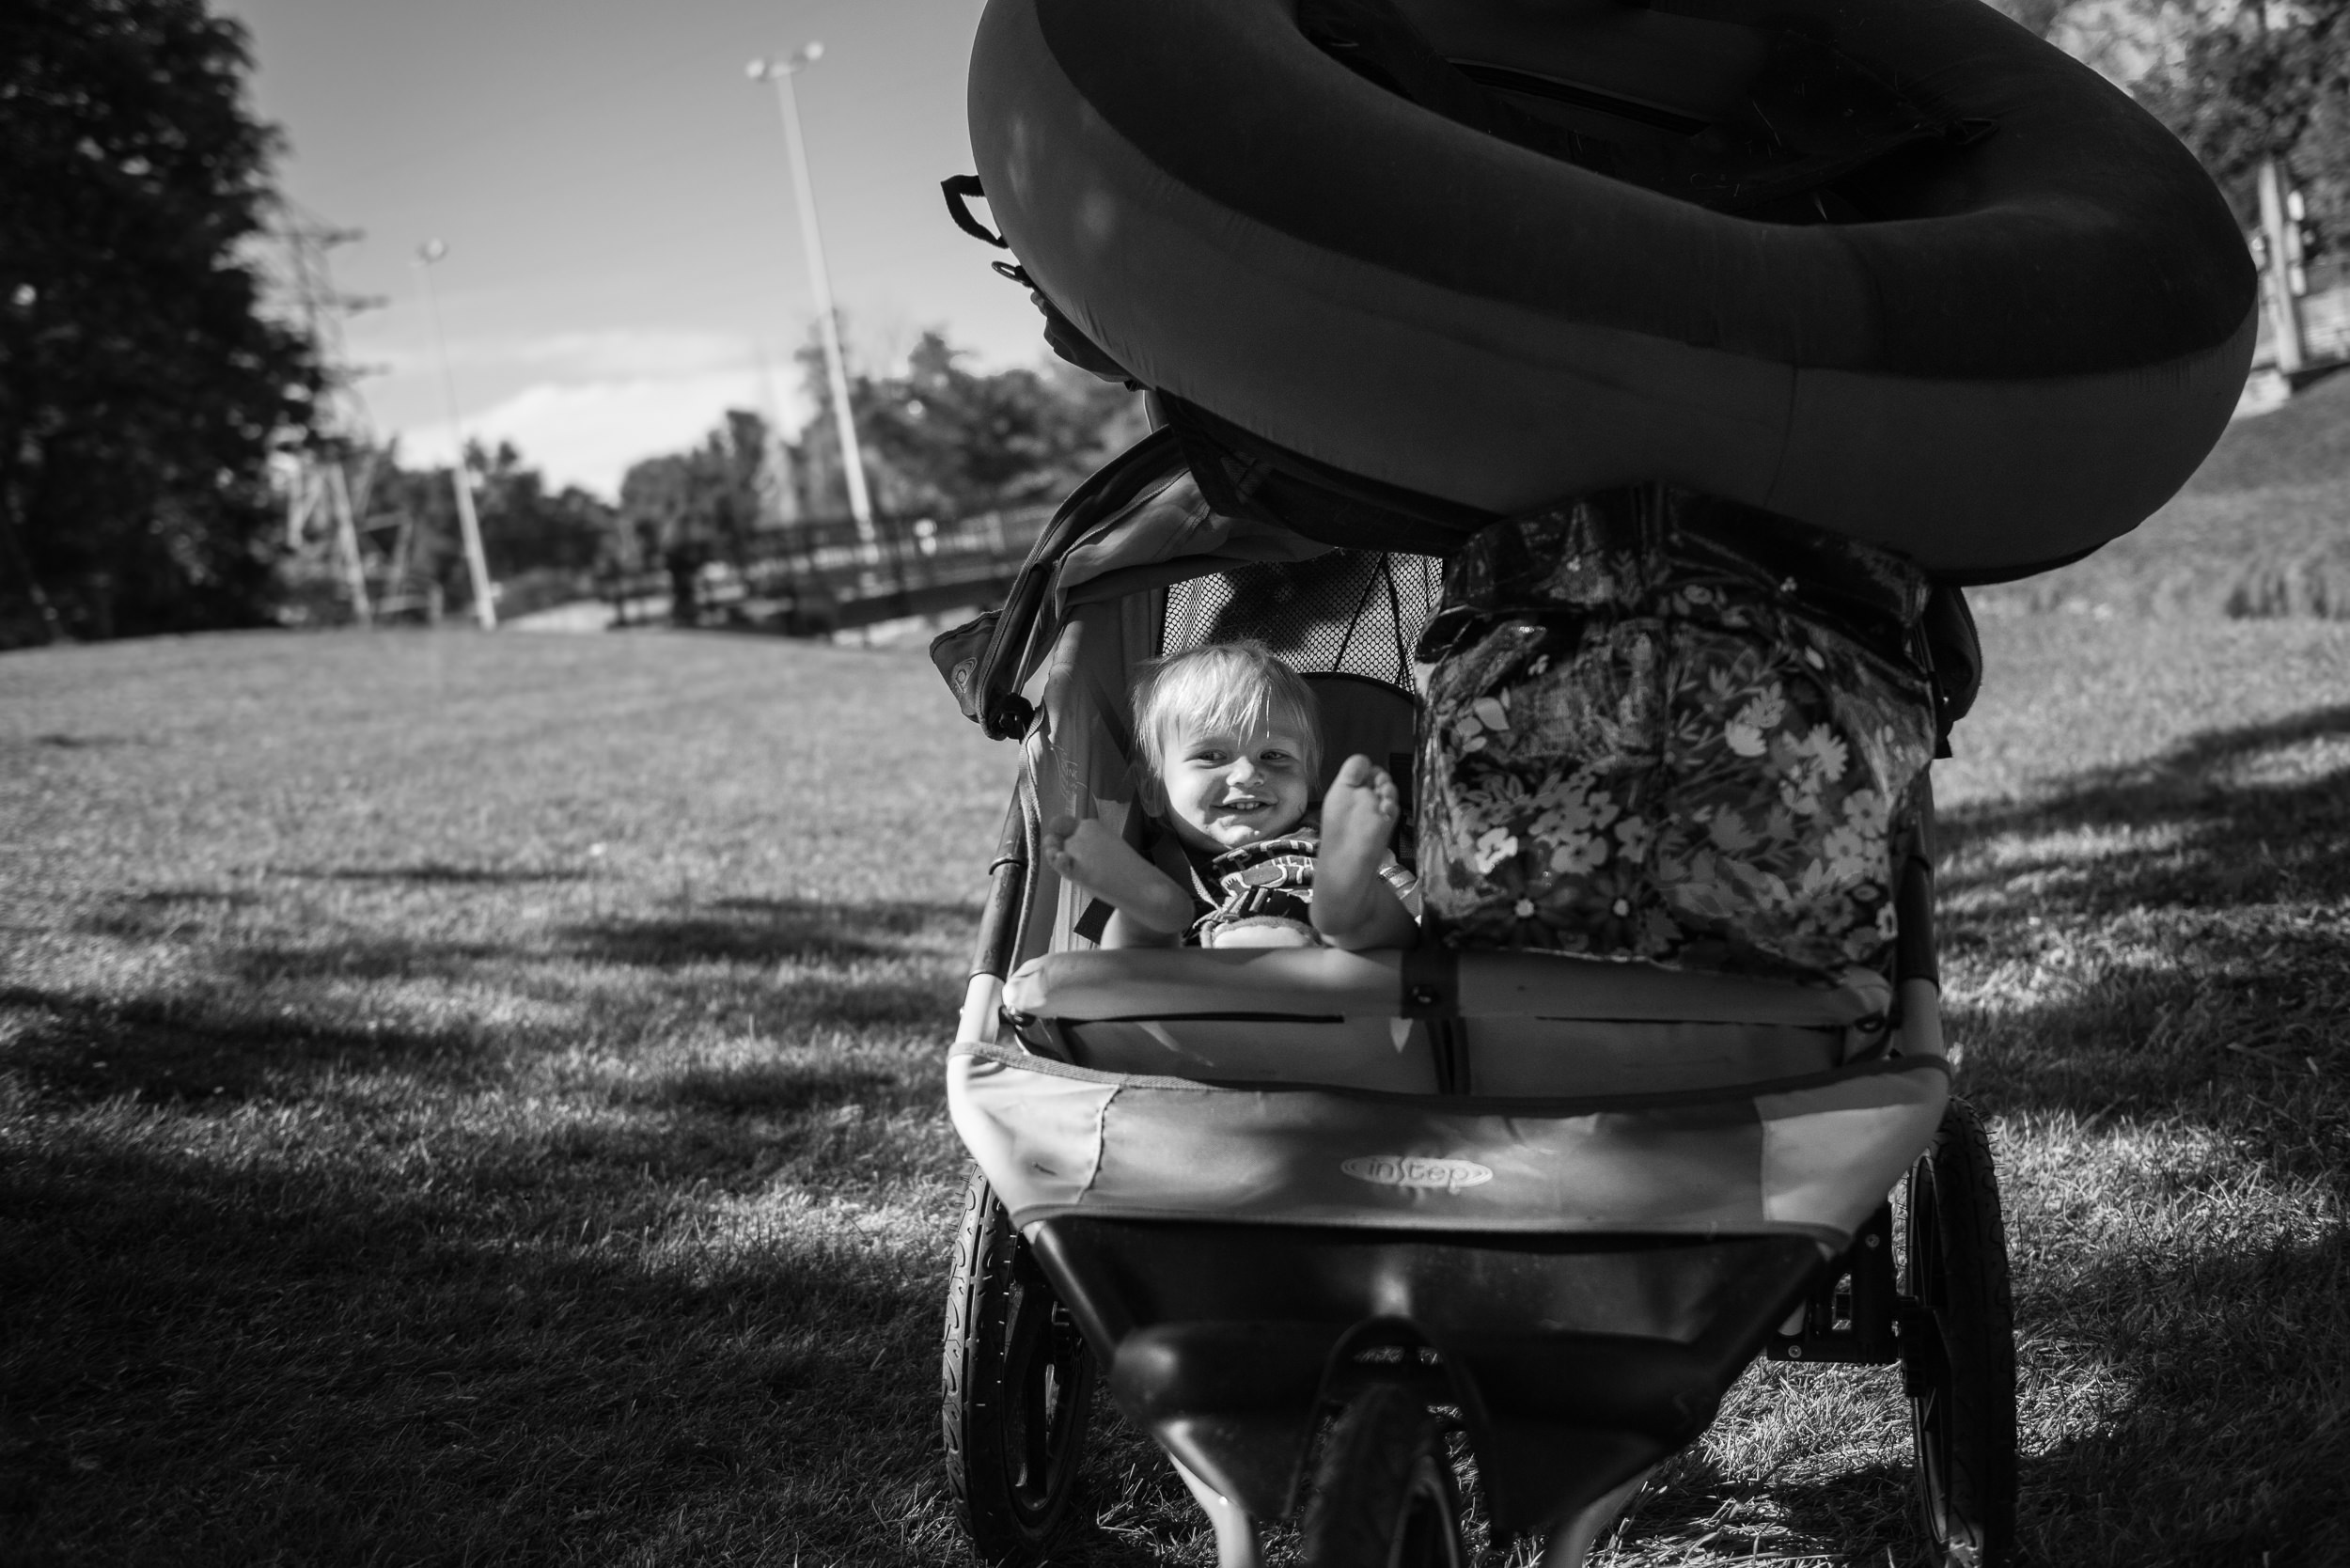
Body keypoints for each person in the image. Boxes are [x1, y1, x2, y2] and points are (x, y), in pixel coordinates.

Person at [1042, 639, 1420, 949]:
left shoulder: (1340, 840)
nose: (1248, 773)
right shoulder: (1155, 864)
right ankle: (1147, 913)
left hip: (1351, 972)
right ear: (1153, 791)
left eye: (1274, 756)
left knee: (1391, 924)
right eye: (1211, 756)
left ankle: (1345, 902)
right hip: (1198, 976)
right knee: (1135, 959)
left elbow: (1421, 916)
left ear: (1310, 780)